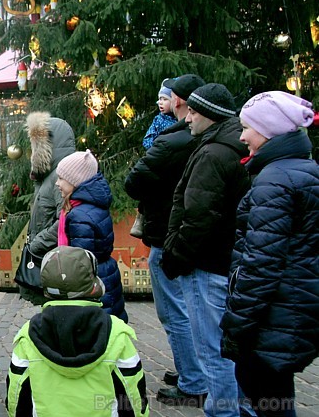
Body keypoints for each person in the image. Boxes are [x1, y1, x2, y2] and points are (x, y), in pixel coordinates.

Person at [220, 91, 318, 417]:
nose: (242, 135)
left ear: (269, 130)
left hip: (270, 313)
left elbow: (261, 263)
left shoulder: (274, 180)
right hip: (291, 307)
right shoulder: (302, 170)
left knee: (266, 397)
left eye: (247, 127)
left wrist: (236, 323)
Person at [161, 83, 250, 417]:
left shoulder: (213, 153)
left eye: (194, 112)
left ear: (210, 114)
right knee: (223, 350)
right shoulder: (225, 146)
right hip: (221, 262)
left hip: (205, 266)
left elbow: (198, 215)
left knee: (212, 353)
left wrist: (175, 257)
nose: (188, 118)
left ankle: (224, 412)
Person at [124, 74, 208, 405]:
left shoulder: (172, 140)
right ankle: (192, 368)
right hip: (188, 233)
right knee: (191, 307)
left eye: (169, 96)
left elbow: (135, 181)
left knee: (174, 312)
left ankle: (193, 381)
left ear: (179, 101)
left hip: (166, 234)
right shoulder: (202, 137)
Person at [6, 245, 149, 417]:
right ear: (92, 286)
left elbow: (16, 391)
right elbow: (132, 390)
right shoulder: (116, 332)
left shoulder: (29, 334)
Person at [55, 150, 127, 321]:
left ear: (76, 181)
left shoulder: (79, 215)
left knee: (99, 329)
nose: (57, 183)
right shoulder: (92, 205)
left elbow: (80, 262)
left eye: (61, 178)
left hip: (93, 284)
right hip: (106, 273)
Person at [20, 111, 76, 305]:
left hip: (56, 264)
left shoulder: (61, 176)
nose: (32, 150)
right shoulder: (49, 175)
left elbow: (67, 218)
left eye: (36, 145)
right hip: (49, 261)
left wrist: (37, 243)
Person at [131, 78, 179, 237]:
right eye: (159, 99)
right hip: (159, 158)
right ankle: (141, 217)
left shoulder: (181, 121)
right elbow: (147, 139)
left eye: (165, 99)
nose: (160, 103)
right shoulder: (159, 120)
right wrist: (156, 148)